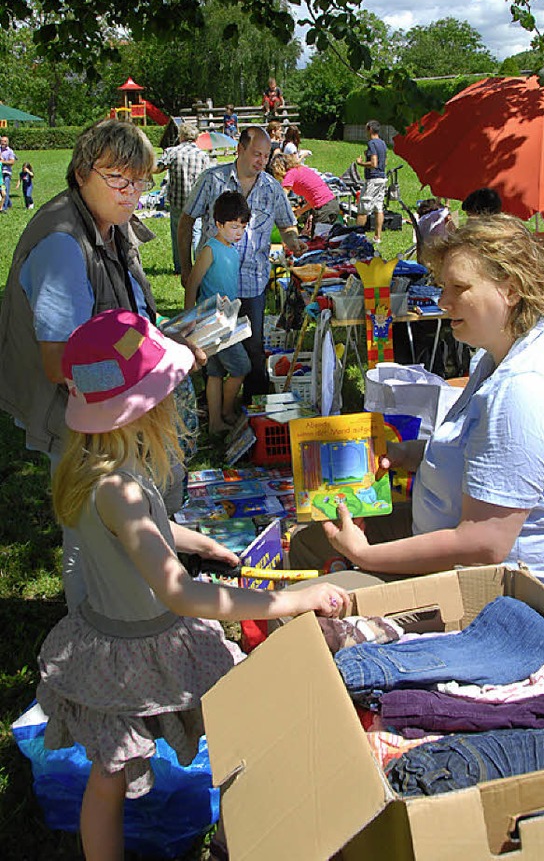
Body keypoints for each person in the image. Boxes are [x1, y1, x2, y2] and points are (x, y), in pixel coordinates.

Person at [36, 308, 350, 861]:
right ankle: (245, 840)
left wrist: (200, 542)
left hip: (107, 639)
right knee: (241, 732)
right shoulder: (124, 489)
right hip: (153, 645)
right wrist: (293, 599)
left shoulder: (88, 468)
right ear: (142, 409)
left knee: (107, 779)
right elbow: (179, 592)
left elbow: (138, 536)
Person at [323, 215, 544, 620]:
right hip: (470, 568)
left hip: (514, 605)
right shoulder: (511, 341)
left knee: (313, 602)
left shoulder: (528, 387)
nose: (442, 302)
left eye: (458, 288)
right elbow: (489, 453)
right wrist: (414, 453)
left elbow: (484, 542)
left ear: (510, 289)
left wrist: (365, 555)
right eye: (443, 286)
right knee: (312, 540)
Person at [0, 118, 209, 610]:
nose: (132, 193)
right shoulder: (62, 245)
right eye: (119, 179)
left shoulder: (107, 224)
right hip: (77, 417)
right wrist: (153, 365)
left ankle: (130, 605)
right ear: (81, 173)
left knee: (118, 520)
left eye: (140, 181)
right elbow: (59, 364)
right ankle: (89, 627)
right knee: (84, 531)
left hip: (110, 411)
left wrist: (166, 343)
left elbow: (127, 318)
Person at [178, 126, 306, 401]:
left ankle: (253, 406)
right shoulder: (213, 180)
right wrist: (187, 268)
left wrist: (293, 241)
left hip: (253, 282)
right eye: (256, 154)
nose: (261, 161)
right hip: (213, 285)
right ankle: (214, 405)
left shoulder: (272, 187)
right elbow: (186, 221)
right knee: (211, 348)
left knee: (253, 347)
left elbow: (286, 225)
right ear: (240, 149)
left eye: (266, 155)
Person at [184, 192, 252, 433]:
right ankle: (225, 411)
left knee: (214, 373)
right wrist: (189, 318)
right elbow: (192, 282)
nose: (239, 232)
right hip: (212, 322)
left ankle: (214, 424)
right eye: (234, 227)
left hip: (225, 318)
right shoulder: (210, 249)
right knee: (241, 367)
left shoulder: (232, 249)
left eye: (243, 227)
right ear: (218, 224)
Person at [156, 121, 211, 275]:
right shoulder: (203, 155)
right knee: (196, 232)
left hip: (177, 200)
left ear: (181, 136)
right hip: (197, 200)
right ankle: (198, 265)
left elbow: (158, 168)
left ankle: (180, 267)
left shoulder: (172, 152)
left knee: (177, 233)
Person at [271, 154, 341, 237]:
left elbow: (282, 197)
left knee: (319, 241)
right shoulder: (300, 170)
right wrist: (300, 211)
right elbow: (314, 199)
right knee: (318, 240)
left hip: (324, 209)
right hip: (330, 205)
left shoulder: (290, 174)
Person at [355, 120, 387, 244]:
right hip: (382, 178)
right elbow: (384, 161)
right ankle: (377, 237)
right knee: (378, 207)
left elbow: (373, 163)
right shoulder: (383, 143)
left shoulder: (372, 143)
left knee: (363, 208)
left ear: (369, 129)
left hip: (373, 179)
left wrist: (361, 163)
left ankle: (357, 238)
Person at [0, 133, 16, 211]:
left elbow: (12, 162)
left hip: (6, 173)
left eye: (5, 141)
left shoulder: (10, 151)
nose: (3, 142)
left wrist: (2, 162)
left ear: (7, 142)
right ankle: (9, 203)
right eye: (2, 141)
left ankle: (4, 207)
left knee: (5, 189)